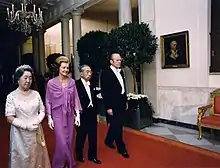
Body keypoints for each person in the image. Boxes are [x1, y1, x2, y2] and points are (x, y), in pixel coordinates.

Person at [5, 64, 51, 168]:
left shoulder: (36, 94)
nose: (28, 81)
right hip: (20, 133)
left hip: (36, 130)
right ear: (18, 79)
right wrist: (26, 125)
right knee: (23, 157)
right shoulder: (11, 96)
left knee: (37, 155)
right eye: (25, 78)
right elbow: (9, 117)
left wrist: (37, 120)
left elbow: (42, 110)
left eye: (30, 78)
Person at [45, 56, 82, 168]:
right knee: (62, 141)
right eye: (63, 67)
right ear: (58, 68)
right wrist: (49, 117)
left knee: (69, 140)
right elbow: (48, 100)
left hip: (70, 114)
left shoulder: (72, 82)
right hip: (57, 115)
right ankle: (59, 164)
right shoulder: (51, 83)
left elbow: (76, 98)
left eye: (67, 67)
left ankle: (69, 163)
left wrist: (77, 115)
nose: (66, 70)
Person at [100, 53, 130, 158]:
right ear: (111, 61)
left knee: (118, 124)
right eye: (117, 60)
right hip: (112, 104)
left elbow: (123, 88)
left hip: (121, 102)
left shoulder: (120, 72)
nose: (119, 61)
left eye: (120, 60)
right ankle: (122, 148)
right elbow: (105, 92)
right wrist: (108, 107)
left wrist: (125, 101)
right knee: (117, 126)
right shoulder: (105, 73)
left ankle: (108, 140)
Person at [75, 65, 101, 164]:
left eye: (90, 71)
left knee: (93, 136)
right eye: (87, 71)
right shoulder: (76, 84)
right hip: (82, 113)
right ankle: (79, 154)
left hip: (92, 113)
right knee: (81, 135)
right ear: (81, 73)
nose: (89, 74)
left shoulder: (93, 84)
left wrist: (97, 113)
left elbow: (95, 100)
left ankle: (92, 156)